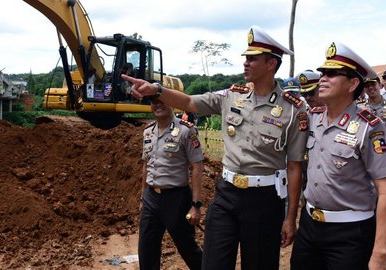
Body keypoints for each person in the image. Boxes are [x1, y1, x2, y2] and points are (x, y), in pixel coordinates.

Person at [125, 25, 308, 269]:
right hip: (227, 195)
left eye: (252, 59)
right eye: (245, 58)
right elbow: (189, 101)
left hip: (264, 200)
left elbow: (295, 167)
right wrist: (156, 90)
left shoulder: (293, 109)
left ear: (271, 64)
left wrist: (290, 217)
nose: (245, 63)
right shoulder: (232, 96)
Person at [290, 42, 386, 270]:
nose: (322, 78)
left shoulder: (370, 127)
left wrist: (380, 251)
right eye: (322, 73)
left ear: (353, 84)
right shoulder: (313, 118)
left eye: (331, 74)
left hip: (350, 234)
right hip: (309, 226)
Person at [139, 97, 204, 270]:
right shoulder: (148, 132)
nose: (157, 104)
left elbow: (196, 167)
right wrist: (142, 197)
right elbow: (146, 166)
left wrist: (196, 205)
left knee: (187, 248)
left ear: (173, 103)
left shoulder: (186, 131)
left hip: (177, 199)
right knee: (146, 250)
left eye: (162, 100)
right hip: (151, 198)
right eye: (153, 102)